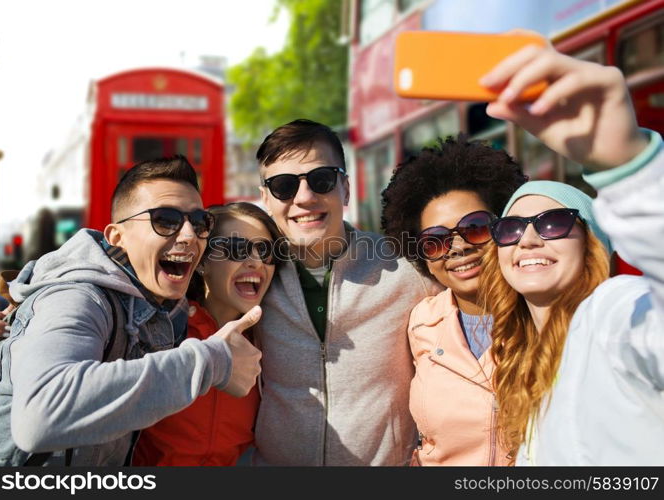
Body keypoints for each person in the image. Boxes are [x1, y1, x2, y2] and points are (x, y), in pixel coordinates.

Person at [0, 156, 262, 466]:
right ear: (116, 237)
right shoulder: (77, 296)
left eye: (200, 222)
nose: (190, 235)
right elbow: (40, 416)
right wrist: (213, 362)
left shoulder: (166, 308)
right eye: (165, 219)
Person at [477, 42, 662, 464]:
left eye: (552, 223)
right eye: (510, 228)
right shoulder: (517, 358)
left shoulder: (617, 315)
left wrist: (628, 166)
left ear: (591, 243)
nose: (527, 241)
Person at [254, 119, 442, 465]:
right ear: (265, 198)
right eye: (283, 186)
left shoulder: (406, 267)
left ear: (345, 188)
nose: (305, 198)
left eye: (321, 179)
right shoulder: (252, 277)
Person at [380, 135, 526, 465]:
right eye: (435, 240)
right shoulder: (420, 322)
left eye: (475, 227)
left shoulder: (548, 314)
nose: (457, 247)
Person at [132, 202, 282, 466]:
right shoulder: (160, 331)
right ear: (202, 263)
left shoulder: (270, 342)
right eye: (237, 249)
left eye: (265, 251)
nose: (256, 261)